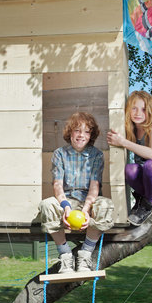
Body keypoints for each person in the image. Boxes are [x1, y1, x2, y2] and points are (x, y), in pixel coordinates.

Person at [37, 112, 114, 273]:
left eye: (86, 132)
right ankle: (65, 257)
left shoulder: (97, 155)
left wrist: (86, 210)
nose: (81, 135)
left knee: (106, 205)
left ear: (91, 135)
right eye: (77, 130)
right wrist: (65, 208)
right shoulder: (59, 154)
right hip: (67, 199)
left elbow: (95, 186)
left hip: (88, 200)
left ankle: (85, 255)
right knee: (46, 205)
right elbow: (57, 185)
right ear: (70, 132)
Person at [107, 90, 152, 226]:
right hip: (146, 179)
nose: (138, 113)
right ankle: (141, 197)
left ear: (150, 111)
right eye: (134, 108)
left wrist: (123, 142)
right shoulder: (132, 131)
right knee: (129, 169)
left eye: (143, 109)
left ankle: (147, 205)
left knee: (150, 165)